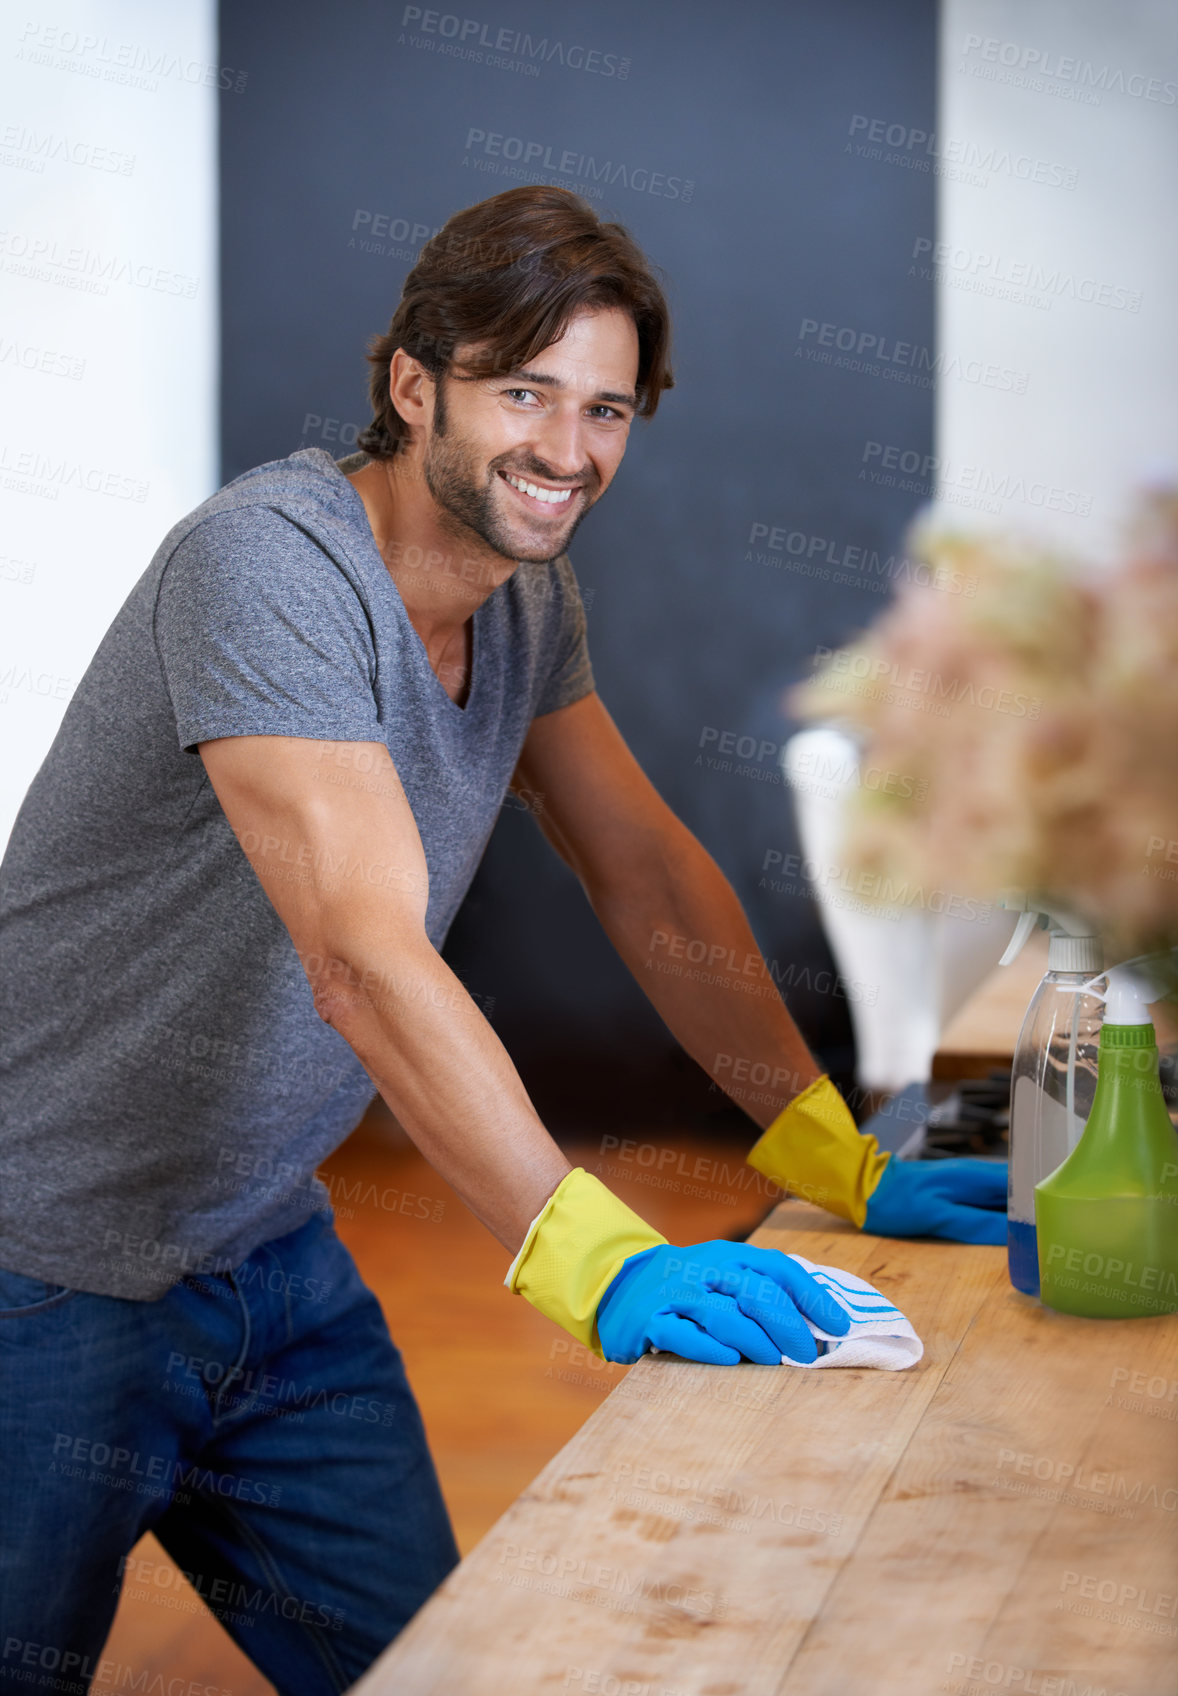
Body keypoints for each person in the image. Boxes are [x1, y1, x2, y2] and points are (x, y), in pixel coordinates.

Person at [0, 185, 1005, 1693]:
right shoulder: (267, 568)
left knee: (436, 1667)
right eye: (521, 391)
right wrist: (589, 1257)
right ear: (413, 387)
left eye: (605, 408)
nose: (566, 448)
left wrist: (823, 1148)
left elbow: (648, 878)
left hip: (266, 1253)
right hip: (43, 1266)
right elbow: (360, 952)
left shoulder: (527, 599)